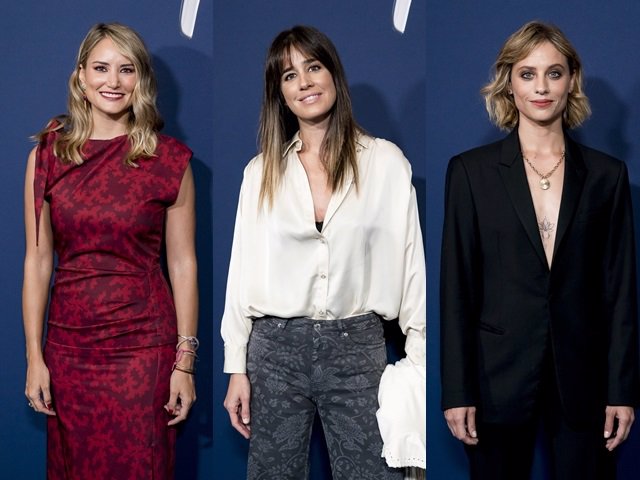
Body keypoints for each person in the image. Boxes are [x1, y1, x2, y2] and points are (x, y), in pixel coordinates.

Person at [221, 25, 426, 479]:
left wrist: (420, 363)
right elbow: (242, 272)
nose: (305, 82)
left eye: (313, 67)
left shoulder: (386, 163)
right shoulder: (260, 172)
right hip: (274, 351)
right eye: (290, 76)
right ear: (280, 93)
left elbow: (412, 268)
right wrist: (236, 365)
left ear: (334, 75)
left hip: (359, 350)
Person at [440, 20, 640, 480]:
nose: (541, 87)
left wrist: (622, 389)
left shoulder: (607, 176)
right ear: (508, 83)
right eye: (527, 74)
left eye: (554, 73)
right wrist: (457, 390)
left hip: (584, 382)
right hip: (496, 380)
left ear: (572, 81)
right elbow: (457, 288)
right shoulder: (471, 173)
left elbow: (620, 290)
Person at [22, 23, 198, 479]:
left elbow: (182, 264)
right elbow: (38, 260)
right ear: (80, 76)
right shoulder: (48, 154)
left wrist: (185, 363)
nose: (113, 82)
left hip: (144, 352)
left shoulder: (169, 159)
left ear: (141, 79)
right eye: (100, 68)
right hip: (69, 351)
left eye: (126, 69)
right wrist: (34, 357)